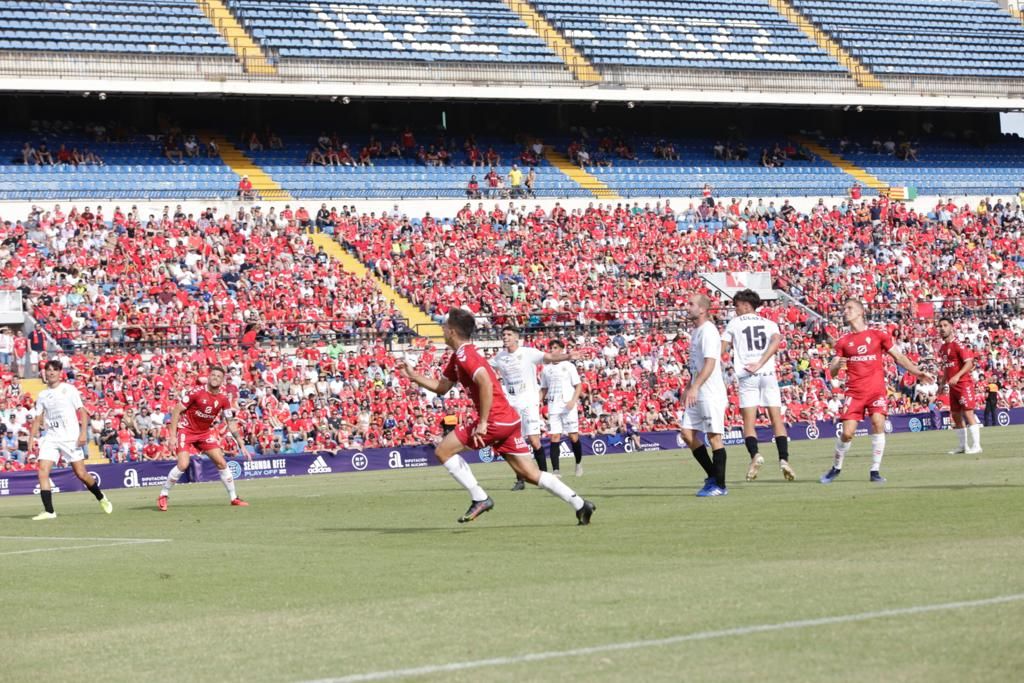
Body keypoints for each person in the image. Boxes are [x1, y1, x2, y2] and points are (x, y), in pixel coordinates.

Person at [397, 308, 595, 525]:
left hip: (494, 420)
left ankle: (479, 497)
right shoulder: (459, 356)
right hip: (508, 420)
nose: (442, 330)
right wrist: (414, 376)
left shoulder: (465, 355)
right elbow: (442, 387)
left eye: (444, 327)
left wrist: (482, 422)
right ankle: (580, 504)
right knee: (530, 474)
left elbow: (484, 382)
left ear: (452, 331)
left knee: (443, 451)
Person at [820, 299, 932, 484]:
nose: (845, 311)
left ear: (860, 312)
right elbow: (831, 371)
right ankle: (836, 467)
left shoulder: (878, 335)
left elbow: (899, 356)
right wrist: (836, 366)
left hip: (876, 391)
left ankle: (875, 470)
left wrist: (916, 372)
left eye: (849, 308)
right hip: (854, 392)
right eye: (844, 308)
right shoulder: (843, 341)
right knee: (847, 433)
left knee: (878, 423)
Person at [491, 326, 578, 489]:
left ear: (516, 338)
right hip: (511, 405)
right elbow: (483, 366)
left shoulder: (528, 353)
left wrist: (568, 356)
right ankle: (520, 479)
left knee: (534, 440)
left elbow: (550, 357)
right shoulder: (500, 357)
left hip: (529, 402)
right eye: (503, 334)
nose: (505, 337)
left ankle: (544, 477)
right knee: (513, 442)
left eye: (509, 334)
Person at [721, 289, 795, 482]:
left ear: (746, 305)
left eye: (736, 306)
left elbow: (722, 349)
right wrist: (762, 362)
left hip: (747, 375)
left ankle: (755, 455)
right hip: (768, 374)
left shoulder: (734, 323)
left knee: (749, 423)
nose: (735, 310)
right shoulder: (769, 323)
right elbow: (776, 341)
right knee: (776, 420)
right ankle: (784, 460)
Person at [27, 360, 113, 520]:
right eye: (48, 370)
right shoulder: (42, 395)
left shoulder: (69, 389)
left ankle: (101, 498)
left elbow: (83, 412)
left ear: (60, 373)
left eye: (54, 370)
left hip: (70, 438)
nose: (51, 373)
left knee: (81, 474)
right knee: (42, 471)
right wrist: (32, 438)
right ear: (44, 373)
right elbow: (38, 417)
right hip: (51, 437)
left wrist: (82, 434)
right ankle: (49, 511)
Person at [158, 366, 250, 510]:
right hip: (186, 430)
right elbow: (176, 410)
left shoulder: (224, 399)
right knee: (183, 464)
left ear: (222, 380)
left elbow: (230, 424)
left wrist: (242, 445)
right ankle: (163, 494)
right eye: (213, 375)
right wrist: (172, 436)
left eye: (219, 376)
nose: (215, 378)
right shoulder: (196, 392)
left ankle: (234, 498)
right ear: (208, 376)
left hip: (204, 433)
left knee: (221, 463)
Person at [678, 293, 730, 497]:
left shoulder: (708, 331)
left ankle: (721, 486)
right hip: (698, 390)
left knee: (714, 438)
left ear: (702, 309)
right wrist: (689, 386)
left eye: (691, 304)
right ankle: (713, 476)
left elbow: (710, 363)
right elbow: (697, 365)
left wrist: (695, 387)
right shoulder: (697, 331)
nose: (687, 307)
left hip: (710, 393)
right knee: (687, 433)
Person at [539, 339, 585, 477]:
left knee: (573, 437)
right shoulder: (546, 369)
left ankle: (578, 463)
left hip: (568, 405)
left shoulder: (569, 366)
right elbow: (544, 389)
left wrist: (573, 401)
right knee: (554, 436)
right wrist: (537, 401)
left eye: (554, 348)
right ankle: (556, 470)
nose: (552, 350)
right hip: (553, 406)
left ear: (561, 350)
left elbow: (578, 386)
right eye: (550, 348)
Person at [937, 317, 982, 454]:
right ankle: (963, 446)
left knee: (968, 413)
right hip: (952, 387)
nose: (942, 328)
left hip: (964, 384)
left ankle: (977, 446)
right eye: (940, 326)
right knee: (955, 415)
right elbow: (947, 367)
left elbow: (969, 363)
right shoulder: (943, 348)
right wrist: (942, 383)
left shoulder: (958, 344)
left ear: (952, 327)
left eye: (945, 325)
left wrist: (957, 376)